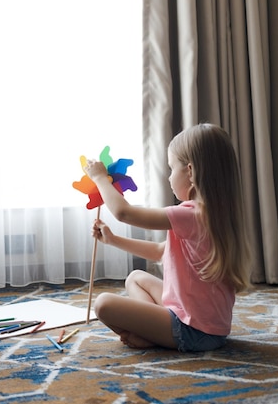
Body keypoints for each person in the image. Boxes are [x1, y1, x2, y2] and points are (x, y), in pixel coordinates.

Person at [83, 123, 251, 352]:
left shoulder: (190, 214)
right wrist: (113, 240)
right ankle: (152, 332)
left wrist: (100, 178)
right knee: (135, 278)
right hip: (210, 327)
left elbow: (124, 213)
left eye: (172, 168)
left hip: (192, 331)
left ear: (190, 172)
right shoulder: (215, 213)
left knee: (103, 304)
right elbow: (163, 251)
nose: (169, 177)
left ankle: (153, 335)